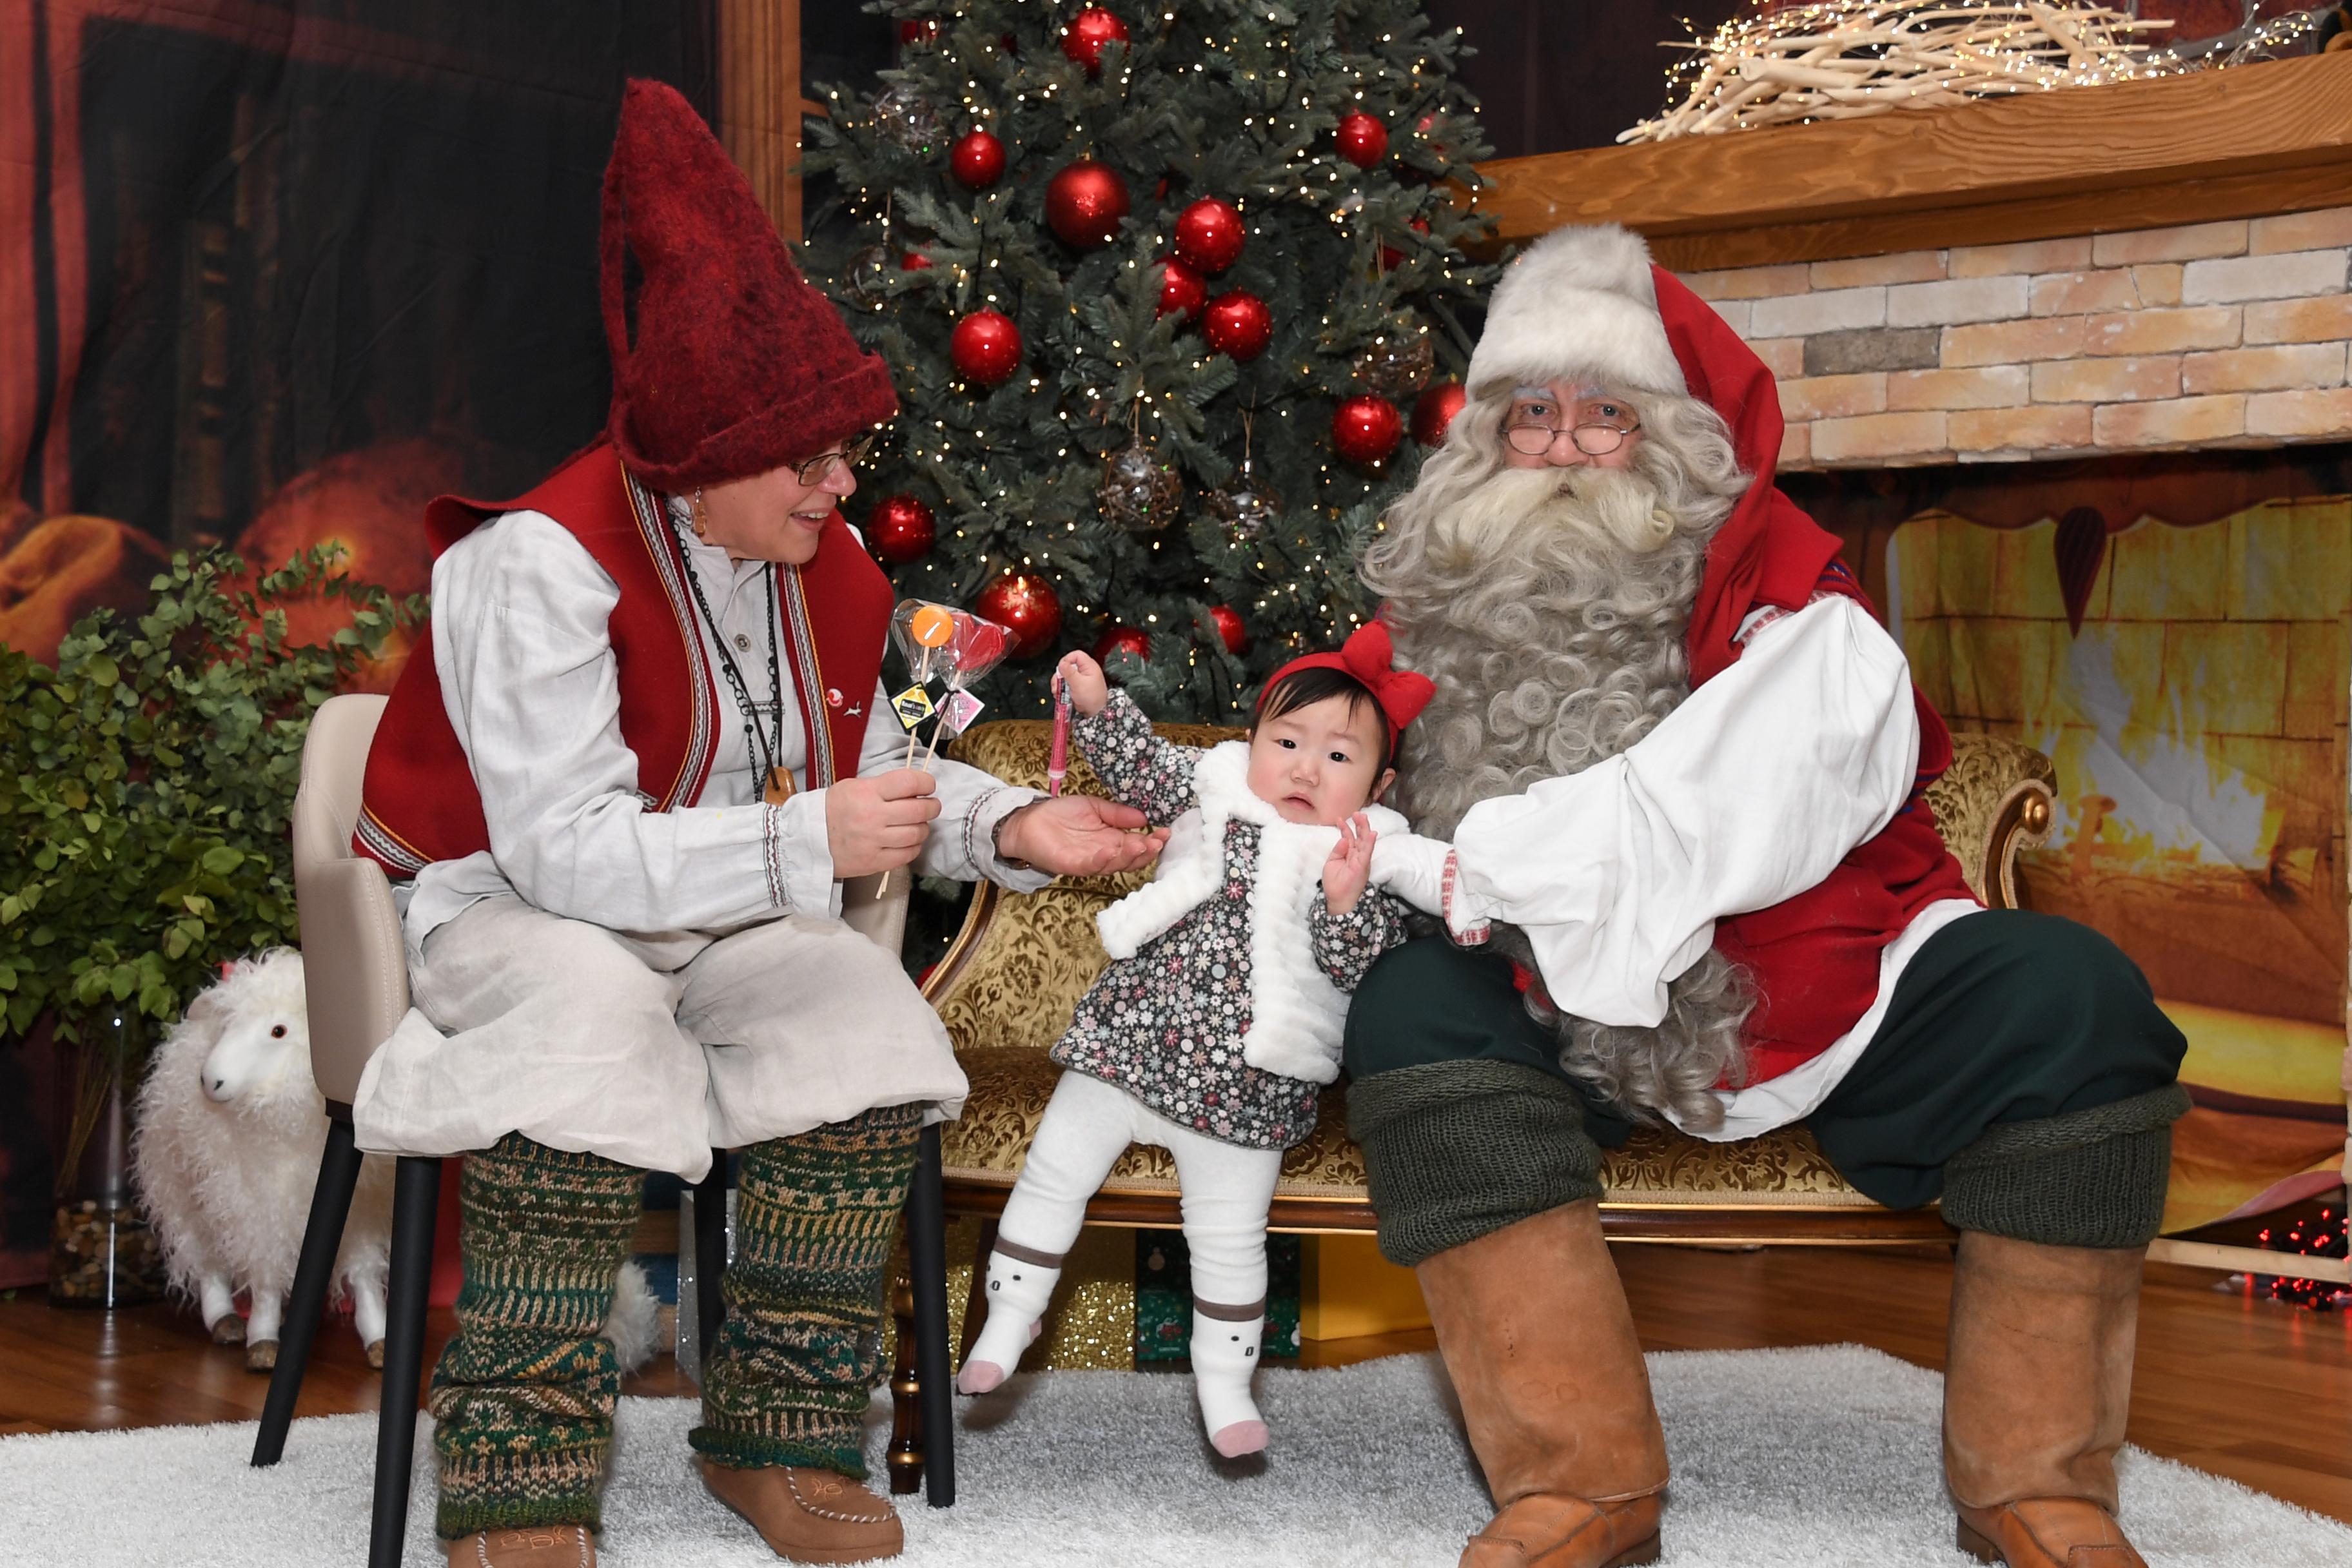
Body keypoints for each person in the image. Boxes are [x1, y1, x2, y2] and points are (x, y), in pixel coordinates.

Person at [346, 81, 1164, 1568]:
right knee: (589, 1005)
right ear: (704, 452)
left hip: (726, 919)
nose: (845, 484)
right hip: (517, 911)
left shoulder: (816, 560)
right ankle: (519, 1459)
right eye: (814, 458)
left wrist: (1014, 828)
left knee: (855, 1005)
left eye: (844, 450)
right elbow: (565, 857)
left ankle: (778, 1436)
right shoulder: (535, 568)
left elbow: (882, 765)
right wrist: (812, 844)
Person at [1349, 224, 2189, 1568]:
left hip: (1810, 995)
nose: (1563, 446)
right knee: (1412, 1009)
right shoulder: (1436, 606)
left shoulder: (1804, 611)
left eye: (1605, 412)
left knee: (2073, 999)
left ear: (1672, 439)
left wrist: (1474, 858)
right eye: (1530, 415)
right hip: (1547, 1009)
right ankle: (1578, 1480)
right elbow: (1317, 749)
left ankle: (2041, 1481)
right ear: (1482, 444)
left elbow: (1724, 817)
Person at [955, 626, 1434, 1457]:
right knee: (1052, 1174)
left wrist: (1348, 902)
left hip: (1247, 1083)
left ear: (1380, 783)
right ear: (1250, 745)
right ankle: (1009, 1321)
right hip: (1130, 1046)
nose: (1304, 770)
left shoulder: (1367, 859)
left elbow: (1353, 966)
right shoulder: (1212, 789)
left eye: (1338, 758)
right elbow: (1141, 769)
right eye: (1286, 743)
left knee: (1228, 1240)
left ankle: (1224, 1382)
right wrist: (1101, 709)